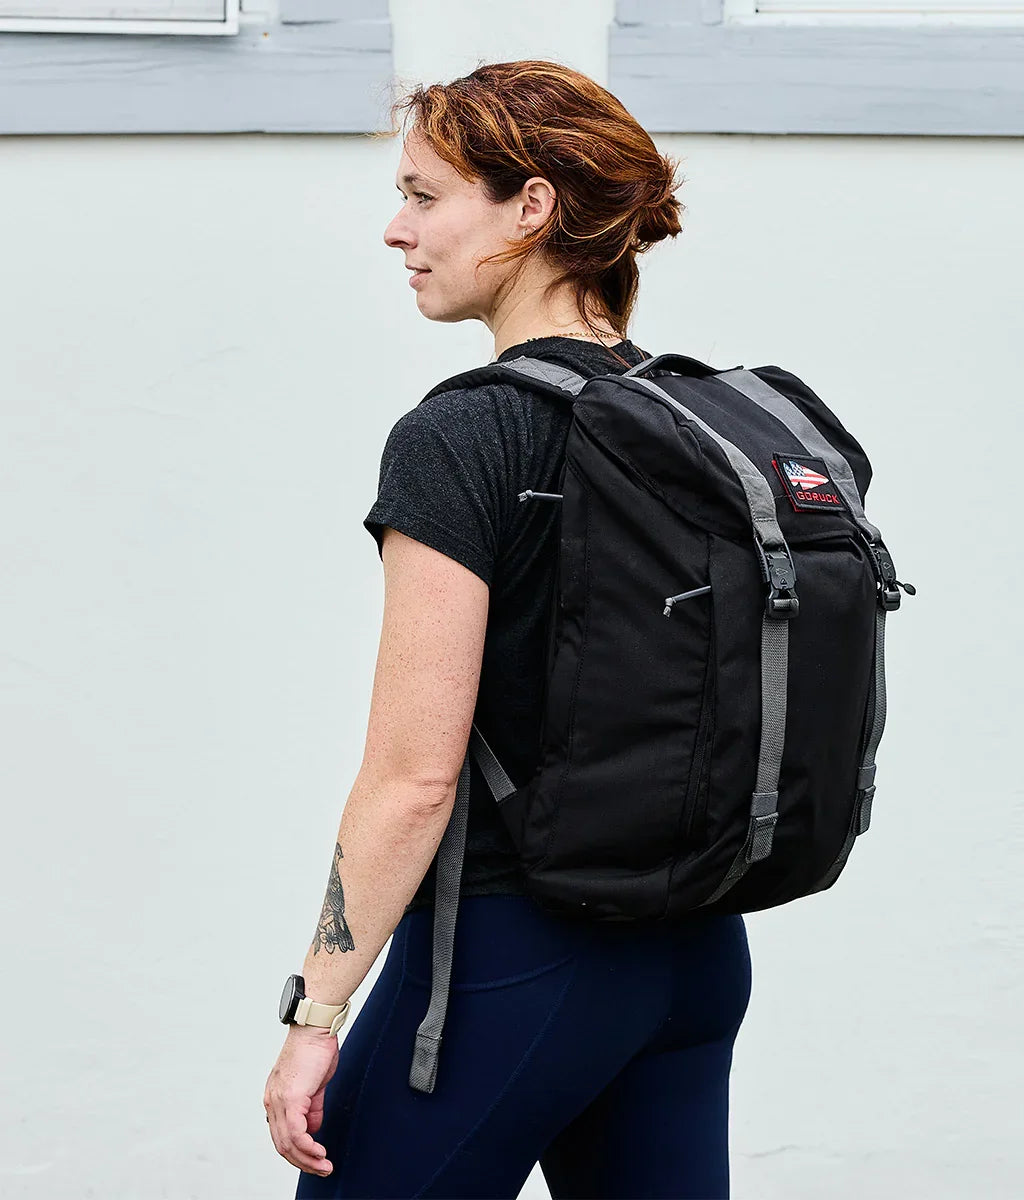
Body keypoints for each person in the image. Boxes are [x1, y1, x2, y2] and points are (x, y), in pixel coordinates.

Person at [262, 59, 753, 1200]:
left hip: (519, 956)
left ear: (531, 208)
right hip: (694, 953)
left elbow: (412, 781)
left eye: (427, 195)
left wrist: (316, 1012)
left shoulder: (464, 439)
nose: (397, 229)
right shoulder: (697, 421)